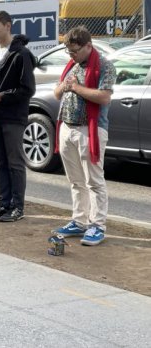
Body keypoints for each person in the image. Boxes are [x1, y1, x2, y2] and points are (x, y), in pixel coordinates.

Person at [53, 26, 116, 246]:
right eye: (69, 52)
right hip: (67, 127)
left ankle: (97, 225)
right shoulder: (72, 64)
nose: (71, 56)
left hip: (90, 129)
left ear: (89, 46)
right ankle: (79, 221)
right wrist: (64, 86)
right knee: (75, 180)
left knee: (94, 181)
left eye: (75, 51)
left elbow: (104, 97)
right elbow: (57, 92)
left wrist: (76, 87)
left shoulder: (104, 66)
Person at [0, 10, 36, 222]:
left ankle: (18, 206)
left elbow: (27, 89)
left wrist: (0, 97)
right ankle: (4, 202)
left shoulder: (21, 55)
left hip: (13, 116)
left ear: (8, 26)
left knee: (15, 162)